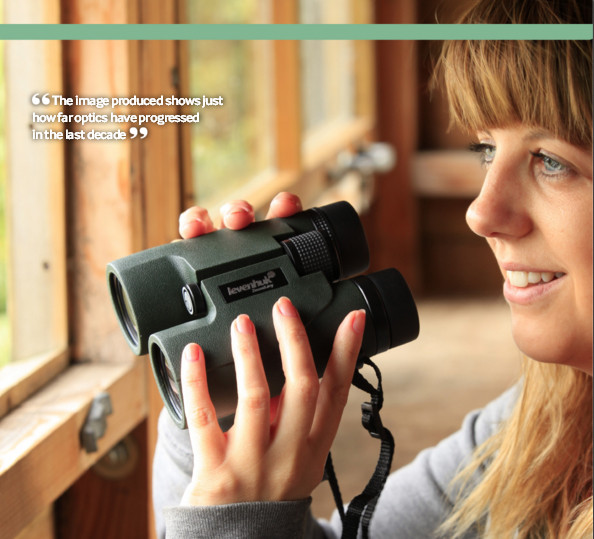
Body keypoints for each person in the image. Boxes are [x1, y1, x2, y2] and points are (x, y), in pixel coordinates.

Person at [152, 0, 593, 536]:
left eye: (551, 161)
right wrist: (218, 398)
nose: (480, 213)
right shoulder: (553, 420)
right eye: (485, 149)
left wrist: (228, 524)